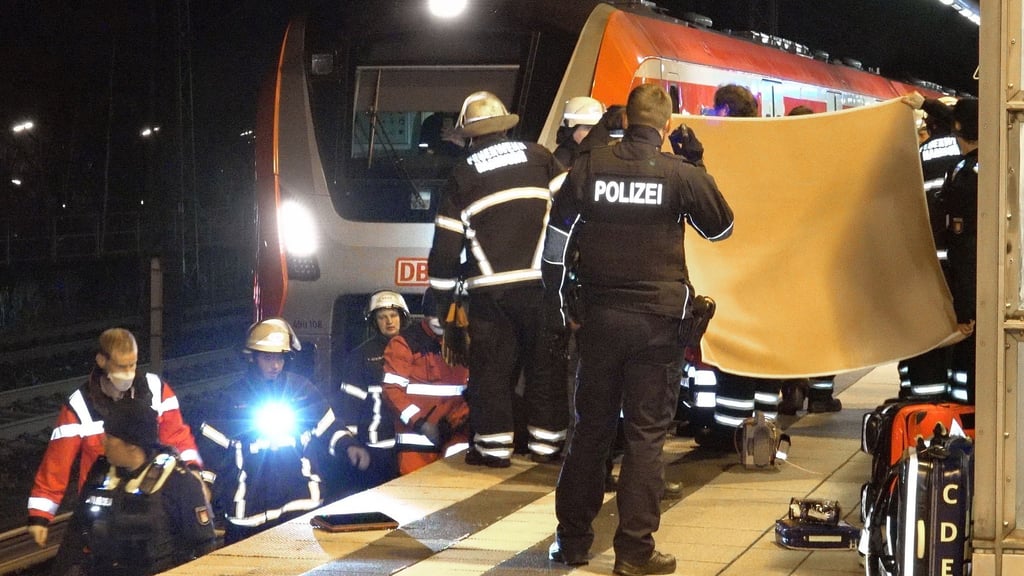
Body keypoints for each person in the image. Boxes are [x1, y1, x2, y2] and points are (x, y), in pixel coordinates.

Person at [543, 83, 733, 575]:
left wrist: (562, 303)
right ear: (666, 126)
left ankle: (572, 541)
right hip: (656, 323)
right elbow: (721, 228)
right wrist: (699, 164)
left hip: (599, 319)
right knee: (646, 436)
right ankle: (634, 552)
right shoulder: (679, 172)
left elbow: (555, 243)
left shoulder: (589, 166)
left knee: (590, 430)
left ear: (625, 119)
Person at [427, 90, 569, 467]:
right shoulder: (540, 156)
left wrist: (444, 306)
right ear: (506, 126)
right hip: (544, 286)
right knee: (546, 369)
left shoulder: (462, 174)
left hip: (491, 296)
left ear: (468, 136)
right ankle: (548, 447)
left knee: (491, 373)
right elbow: (572, 210)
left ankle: (494, 450)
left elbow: (444, 253)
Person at [27, 327, 202, 551]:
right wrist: (40, 515)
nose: (129, 373)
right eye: (122, 366)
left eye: (133, 364)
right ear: (102, 360)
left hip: (155, 505)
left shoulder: (156, 390)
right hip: (102, 509)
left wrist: (193, 471)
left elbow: (178, 437)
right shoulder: (80, 405)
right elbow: (56, 463)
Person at [196, 318, 330, 544]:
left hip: (300, 504)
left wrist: (349, 446)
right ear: (252, 357)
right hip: (249, 513)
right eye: (268, 358)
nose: (275, 365)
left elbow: (329, 428)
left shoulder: (301, 389)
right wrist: (205, 485)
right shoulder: (231, 398)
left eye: (279, 357)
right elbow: (211, 450)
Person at [63, 398, 216, 575]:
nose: (103, 442)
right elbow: (75, 533)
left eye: (110, 437)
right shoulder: (100, 473)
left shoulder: (178, 482)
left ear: (132, 445)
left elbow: (204, 546)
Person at [898, 92, 964, 399]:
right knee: (963, 336)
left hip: (921, 266)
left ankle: (921, 402)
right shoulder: (975, 154)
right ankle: (960, 404)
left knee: (923, 339)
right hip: (961, 265)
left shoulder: (914, 156)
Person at [324, 290, 407, 498]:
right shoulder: (361, 356)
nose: (389, 321)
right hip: (376, 450)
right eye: (382, 317)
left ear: (403, 318)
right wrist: (352, 443)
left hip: (407, 446)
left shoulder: (414, 352)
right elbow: (350, 404)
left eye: (393, 315)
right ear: (374, 322)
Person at [382, 291, 470, 474]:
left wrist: (456, 422)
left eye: (443, 315)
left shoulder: (465, 343)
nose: (438, 320)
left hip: (456, 436)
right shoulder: (405, 343)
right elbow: (392, 391)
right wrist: (420, 424)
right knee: (415, 495)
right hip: (415, 442)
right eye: (432, 315)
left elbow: (472, 389)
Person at [554, 96, 606, 167]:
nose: (593, 133)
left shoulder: (595, 156)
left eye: (595, 128)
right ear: (571, 130)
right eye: (587, 128)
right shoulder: (561, 161)